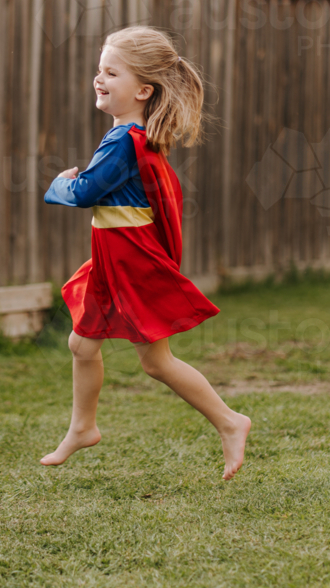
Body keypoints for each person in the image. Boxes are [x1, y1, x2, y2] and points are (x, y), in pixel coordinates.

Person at [40, 26, 250, 480]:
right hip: (112, 259)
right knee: (82, 342)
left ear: (142, 89)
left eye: (111, 72)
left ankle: (231, 422)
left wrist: (59, 183)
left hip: (127, 264)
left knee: (156, 361)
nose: (100, 78)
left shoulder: (124, 140)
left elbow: (84, 193)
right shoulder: (131, 135)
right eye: (99, 69)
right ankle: (83, 427)